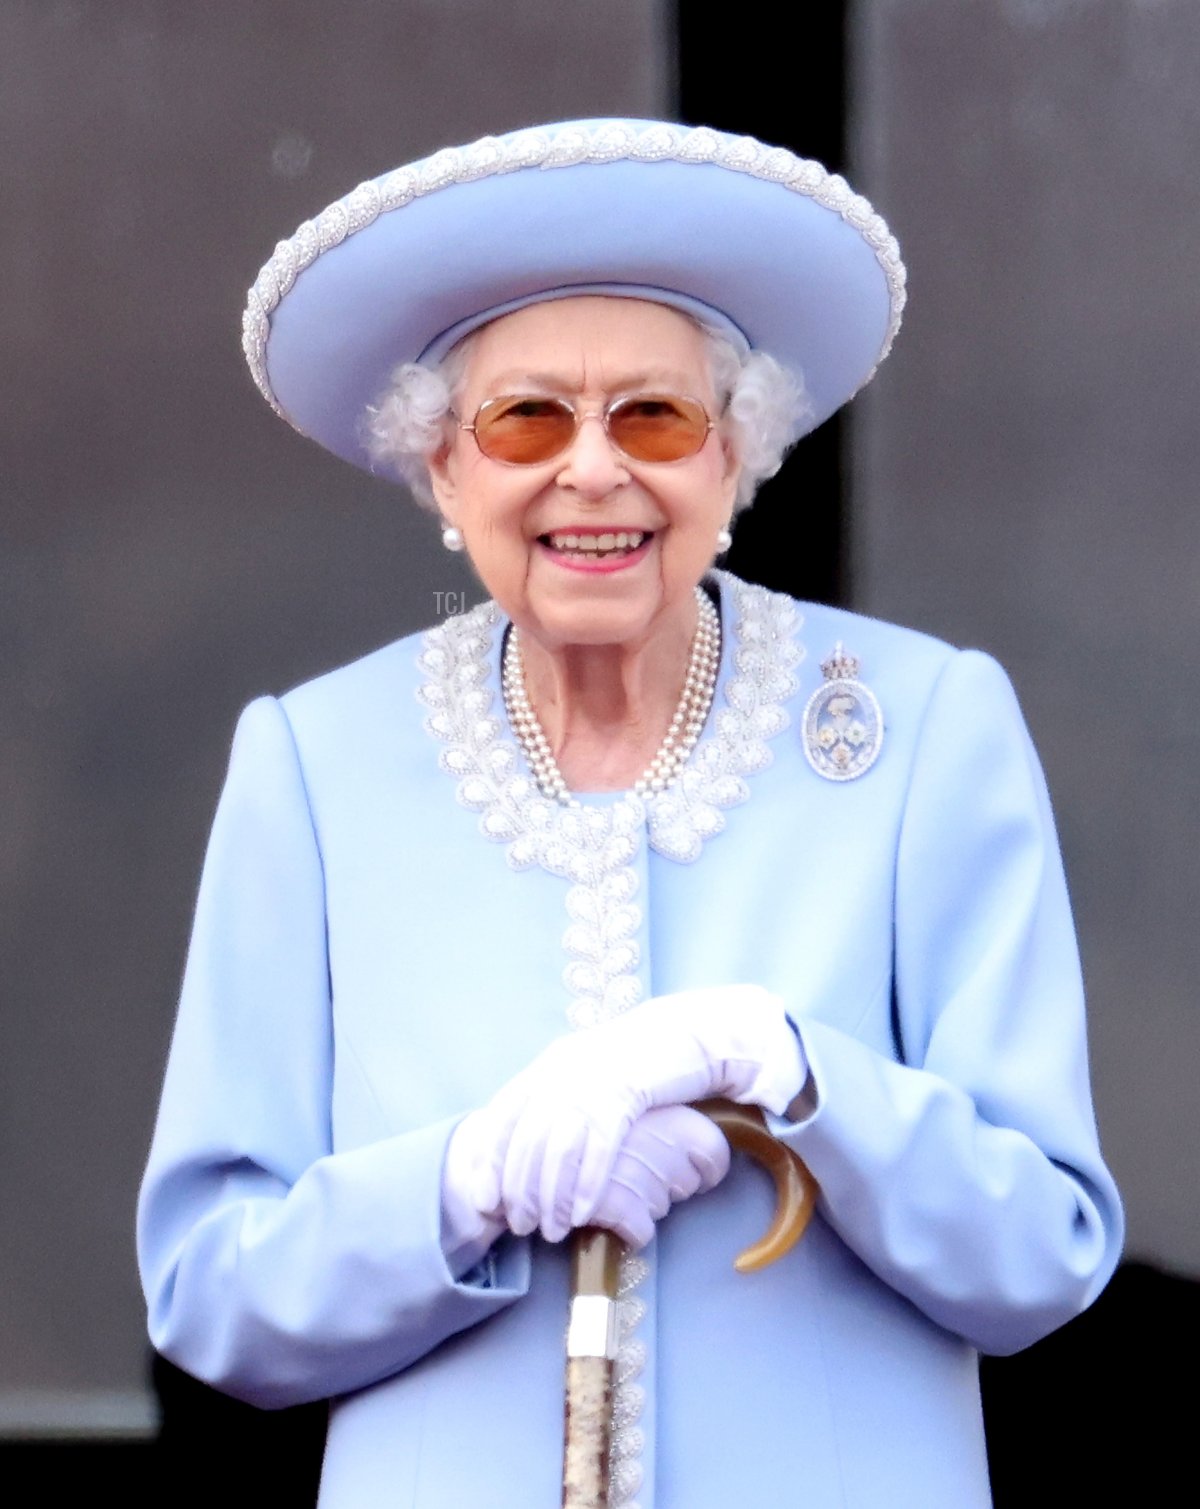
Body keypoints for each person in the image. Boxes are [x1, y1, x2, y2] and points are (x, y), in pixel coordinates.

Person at [137, 118, 1123, 1508]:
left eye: (655, 417)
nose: (592, 472)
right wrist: (464, 1181)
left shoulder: (924, 730)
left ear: (736, 459)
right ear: (444, 471)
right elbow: (209, 1290)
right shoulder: (312, 764)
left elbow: (1044, 1255)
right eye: (525, 418)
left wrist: (789, 1066)